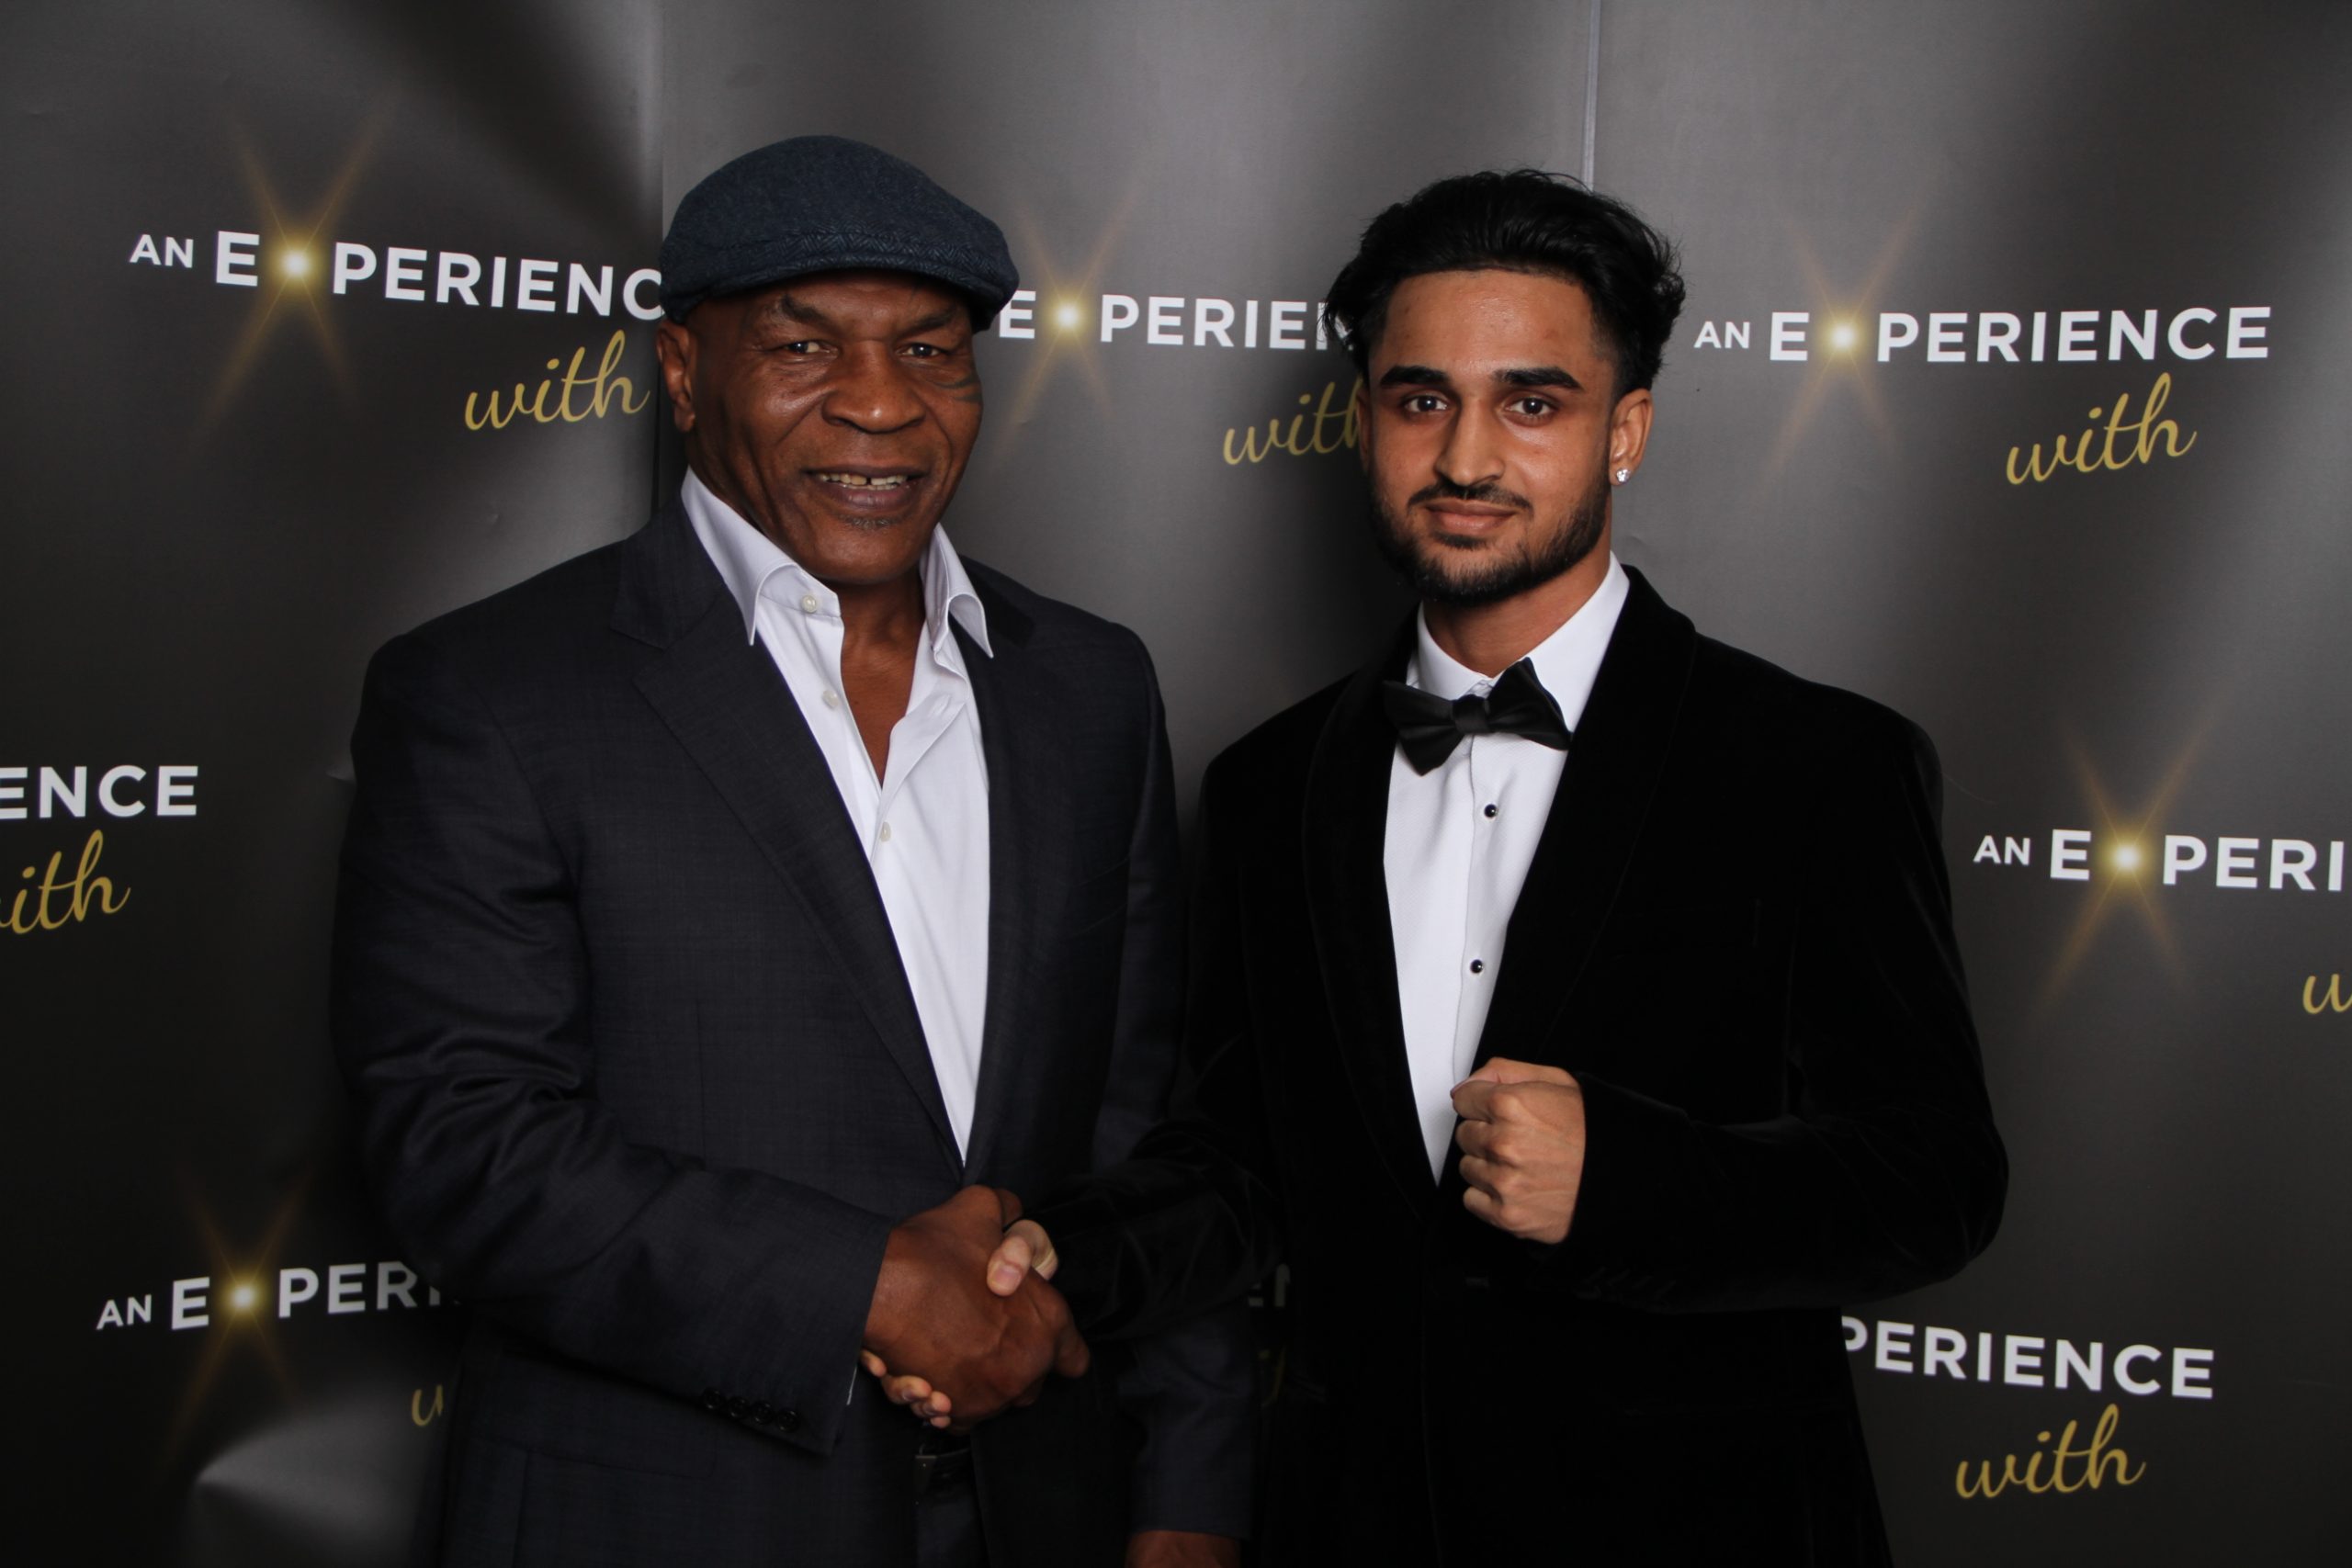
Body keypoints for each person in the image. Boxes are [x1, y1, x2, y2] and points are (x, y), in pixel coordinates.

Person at [890, 169, 2007, 1563]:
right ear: (1364, 419)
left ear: (1625, 431)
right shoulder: (1271, 786)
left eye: (1532, 404)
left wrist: (1630, 1181)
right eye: (1423, 399)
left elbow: (1934, 1182)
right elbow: (1242, 1162)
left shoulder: (1816, 764)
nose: (1467, 457)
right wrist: (1070, 1249)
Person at [332, 136, 1248, 1568]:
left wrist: (1187, 1494)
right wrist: (870, 1287)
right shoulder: (492, 693)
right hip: (655, 1522)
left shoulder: (1089, 688)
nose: (880, 402)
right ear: (682, 371)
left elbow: (1148, 1131)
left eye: (930, 350)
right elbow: (462, 1147)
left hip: (1041, 1512)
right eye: (803, 346)